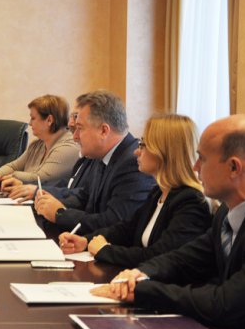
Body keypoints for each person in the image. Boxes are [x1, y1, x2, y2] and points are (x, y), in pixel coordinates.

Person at [93, 114, 245, 329]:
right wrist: (141, 274)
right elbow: (185, 258)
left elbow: (226, 303)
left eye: (202, 159)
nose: (195, 167)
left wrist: (142, 291)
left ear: (234, 167)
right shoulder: (227, 212)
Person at [58, 113, 211, 267]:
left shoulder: (190, 203)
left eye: (143, 145)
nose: (136, 152)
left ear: (164, 152)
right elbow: (126, 230)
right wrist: (85, 241)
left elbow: (160, 256)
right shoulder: (158, 193)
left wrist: (105, 250)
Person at [33, 90, 155, 234]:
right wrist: (49, 204)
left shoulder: (133, 164)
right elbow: (84, 197)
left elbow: (113, 222)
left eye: (80, 128)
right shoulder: (101, 153)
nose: (75, 136)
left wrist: (60, 214)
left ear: (103, 131)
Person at [0, 94, 79, 188]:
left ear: (49, 120)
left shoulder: (69, 148)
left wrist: (8, 176)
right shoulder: (37, 144)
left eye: (33, 118)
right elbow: (14, 166)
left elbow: (39, 179)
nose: (30, 123)